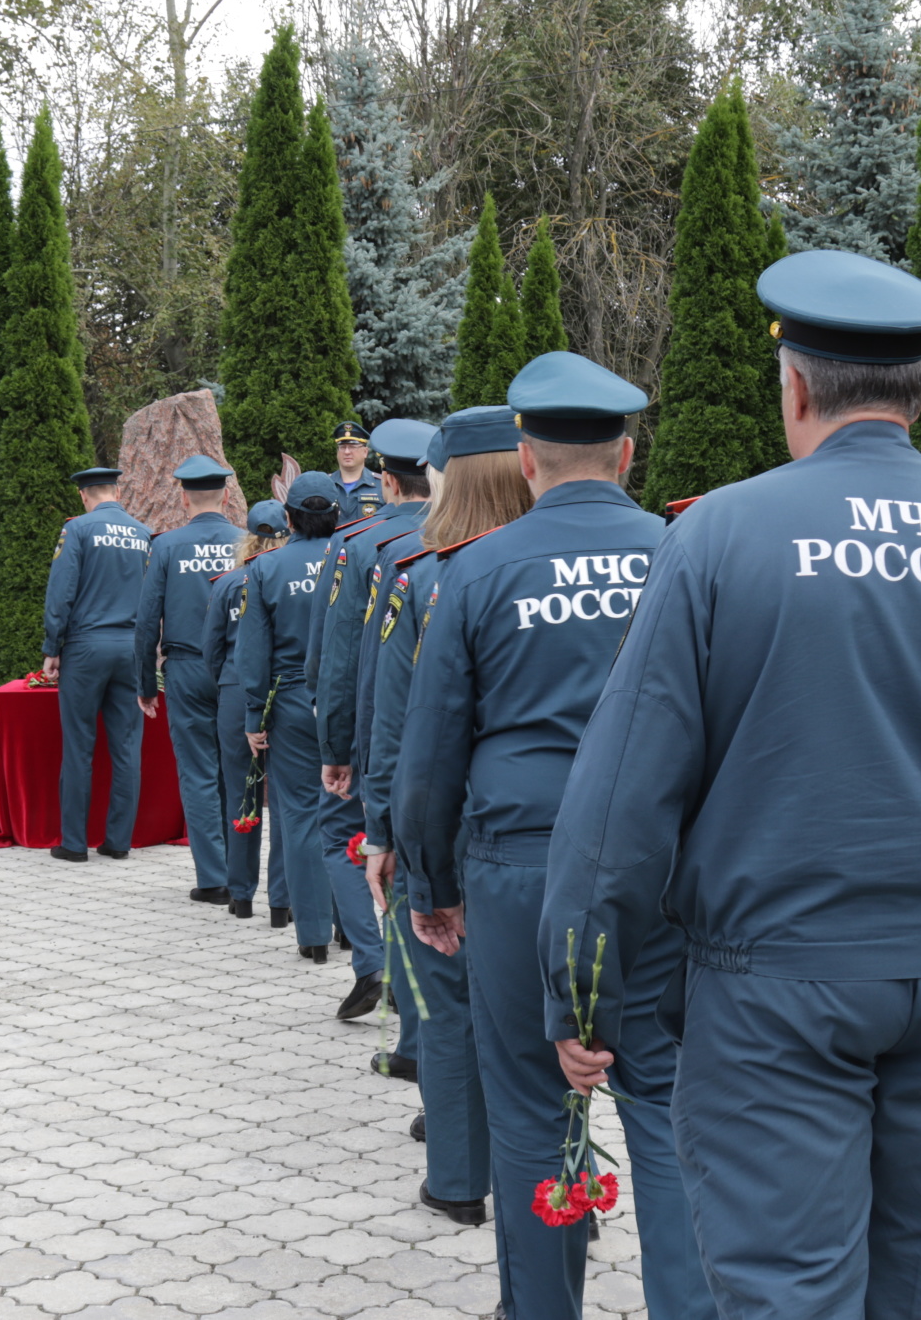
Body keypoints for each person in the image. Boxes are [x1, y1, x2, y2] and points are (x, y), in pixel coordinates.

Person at [541, 249, 921, 1320]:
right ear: (920, 391)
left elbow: (618, 806)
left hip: (774, 990)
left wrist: (580, 992)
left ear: (792, 386)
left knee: (784, 1293)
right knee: (915, 1293)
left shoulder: (715, 537)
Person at [396, 354, 713, 1320]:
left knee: (533, 1112)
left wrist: (430, 883)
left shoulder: (478, 568)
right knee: (664, 1110)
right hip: (660, 875)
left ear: (525, 462)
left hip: (517, 869)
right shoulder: (686, 555)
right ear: (627, 453)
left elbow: (431, 751)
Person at [362, 408, 532, 1229]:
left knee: (450, 1005)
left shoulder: (427, 574)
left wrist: (383, 832)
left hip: (449, 832)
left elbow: (396, 728)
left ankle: (459, 1180)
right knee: (554, 1013)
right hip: (554, 837)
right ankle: (559, 1191)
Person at [313, 418, 439, 1023]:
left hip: (376, 733)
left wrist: (335, 746)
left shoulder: (360, 541)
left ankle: (375, 964)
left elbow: (339, 655)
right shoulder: (464, 532)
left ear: (384, 479)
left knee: (349, 843)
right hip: (443, 739)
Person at [237, 471, 346, 963]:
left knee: (300, 816)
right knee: (350, 813)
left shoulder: (265, 567)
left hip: (291, 703)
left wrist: (254, 715)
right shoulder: (357, 557)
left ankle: (314, 934)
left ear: (289, 518)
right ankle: (353, 927)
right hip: (347, 700)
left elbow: (252, 653)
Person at [134, 455, 244, 903]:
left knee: (199, 773)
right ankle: (243, 878)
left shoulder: (166, 546)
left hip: (186, 668)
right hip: (236, 671)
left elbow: (146, 622)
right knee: (237, 772)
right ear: (225, 495)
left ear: (183, 496)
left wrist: (145, 683)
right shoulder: (246, 541)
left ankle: (214, 879)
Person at [43, 466, 152, 863]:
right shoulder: (143, 532)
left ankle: (73, 843)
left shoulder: (78, 529)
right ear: (116, 491)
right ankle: (118, 841)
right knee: (127, 748)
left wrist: (52, 646)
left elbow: (61, 592)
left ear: (83, 495)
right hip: (131, 648)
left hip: (86, 648)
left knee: (78, 747)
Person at [203, 501, 290, 922]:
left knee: (242, 795)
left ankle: (240, 894)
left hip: (237, 690)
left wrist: (229, 681)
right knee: (290, 802)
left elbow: (211, 650)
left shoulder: (227, 583)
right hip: (285, 690)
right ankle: (283, 899)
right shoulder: (289, 577)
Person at [330, 421, 384, 519]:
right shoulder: (326, 484)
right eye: (342, 447)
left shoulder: (381, 485)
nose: (347, 452)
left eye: (352, 447)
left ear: (365, 452)